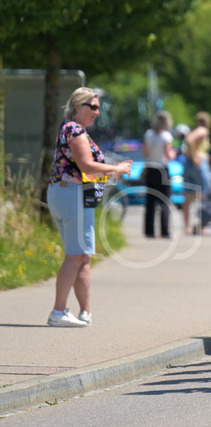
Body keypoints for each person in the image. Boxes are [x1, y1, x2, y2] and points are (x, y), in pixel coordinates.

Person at [46, 87, 132, 327]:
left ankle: (85, 312)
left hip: (69, 193)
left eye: (98, 107)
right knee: (75, 256)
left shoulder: (71, 129)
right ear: (77, 106)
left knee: (82, 256)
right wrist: (117, 169)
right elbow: (87, 166)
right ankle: (58, 311)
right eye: (92, 107)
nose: (96, 112)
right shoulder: (74, 130)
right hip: (72, 194)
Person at [143, 110, 176, 238]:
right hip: (162, 169)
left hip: (151, 168)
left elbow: (145, 153)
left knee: (150, 201)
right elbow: (168, 155)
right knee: (164, 200)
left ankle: (149, 231)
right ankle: (164, 231)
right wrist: (174, 153)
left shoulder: (148, 134)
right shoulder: (166, 136)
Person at [182, 112, 211, 235]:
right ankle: (201, 225)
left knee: (188, 196)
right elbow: (189, 140)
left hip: (187, 163)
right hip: (199, 163)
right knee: (204, 195)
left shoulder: (194, 130)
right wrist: (195, 156)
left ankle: (187, 226)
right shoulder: (203, 130)